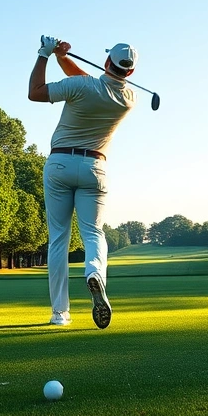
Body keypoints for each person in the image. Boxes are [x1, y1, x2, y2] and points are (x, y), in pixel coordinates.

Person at [28, 35, 138, 328]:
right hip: (95, 167)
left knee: (59, 240)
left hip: (60, 163)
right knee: (93, 233)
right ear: (131, 72)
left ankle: (59, 313)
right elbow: (89, 82)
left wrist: (45, 54)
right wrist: (63, 58)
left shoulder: (82, 87)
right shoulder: (128, 99)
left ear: (106, 62)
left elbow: (36, 92)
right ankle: (95, 274)